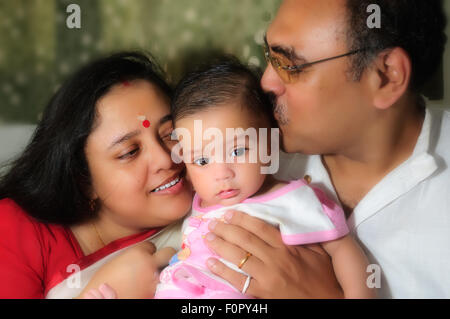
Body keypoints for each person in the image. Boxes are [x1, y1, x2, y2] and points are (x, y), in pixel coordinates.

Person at [202, 0, 450, 298]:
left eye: (290, 65)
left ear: (385, 76)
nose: (266, 81)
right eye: (269, 55)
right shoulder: (242, 153)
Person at [152, 58, 374, 299]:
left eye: (237, 151)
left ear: (270, 144)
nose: (222, 174)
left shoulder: (292, 200)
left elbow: (343, 249)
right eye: (202, 161)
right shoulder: (197, 204)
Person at [0, 52, 194, 298]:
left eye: (172, 134)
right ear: (84, 180)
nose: (166, 158)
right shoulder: (15, 229)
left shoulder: (217, 211)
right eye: (130, 152)